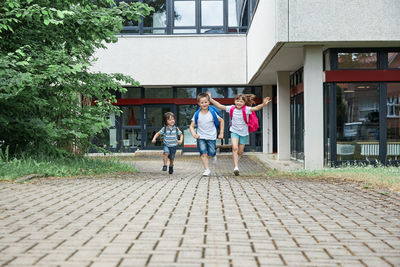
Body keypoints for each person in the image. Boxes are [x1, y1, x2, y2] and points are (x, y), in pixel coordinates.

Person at [207, 92, 271, 176]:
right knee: (234, 148)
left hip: (244, 133)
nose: (239, 103)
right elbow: (219, 106)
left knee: (240, 151)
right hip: (234, 131)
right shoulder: (231, 108)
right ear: (234, 101)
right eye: (237, 100)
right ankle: (236, 167)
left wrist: (263, 104)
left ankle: (237, 157)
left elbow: (256, 108)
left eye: (241, 101)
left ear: (244, 103)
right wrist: (210, 99)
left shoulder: (246, 109)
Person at [189, 93, 224, 177]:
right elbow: (191, 126)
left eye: (206, 102)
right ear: (199, 104)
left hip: (211, 136)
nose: (204, 104)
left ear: (209, 102)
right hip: (201, 137)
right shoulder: (197, 114)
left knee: (211, 152)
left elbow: (222, 121)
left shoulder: (212, 113)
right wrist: (194, 133)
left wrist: (221, 133)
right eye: (202, 102)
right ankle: (207, 169)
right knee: (203, 153)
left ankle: (213, 155)